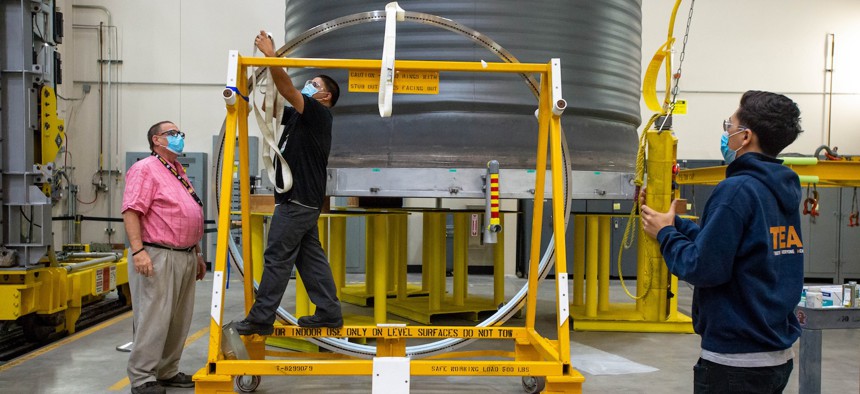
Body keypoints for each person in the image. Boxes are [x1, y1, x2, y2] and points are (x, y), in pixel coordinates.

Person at [640, 90, 804, 393]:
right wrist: (672, 224)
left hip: (735, 362)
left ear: (745, 137)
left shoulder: (736, 190)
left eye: (729, 126)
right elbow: (728, 247)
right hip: (775, 356)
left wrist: (665, 236)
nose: (726, 133)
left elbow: (702, 267)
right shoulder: (781, 186)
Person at [234, 30, 343, 336]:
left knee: (277, 257)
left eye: (316, 85)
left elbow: (287, 88)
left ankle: (261, 318)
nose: (310, 86)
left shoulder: (319, 114)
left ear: (326, 96)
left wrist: (271, 56)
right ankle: (329, 312)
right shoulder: (299, 117)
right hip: (302, 200)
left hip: (297, 201)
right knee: (309, 259)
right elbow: (278, 97)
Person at [122, 121, 207, 394]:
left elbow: (187, 214)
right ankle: (142, 377)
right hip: (157, 254)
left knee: (178, 318)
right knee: (154, 317)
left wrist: (197, 254)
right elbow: (131, 211)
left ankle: (167, 370)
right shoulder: (145, 169)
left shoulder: (177, 171)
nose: (179, 136)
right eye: (173, 133)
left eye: (180, 133)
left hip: (184, 255)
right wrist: (138, 251)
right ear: (157, 139)